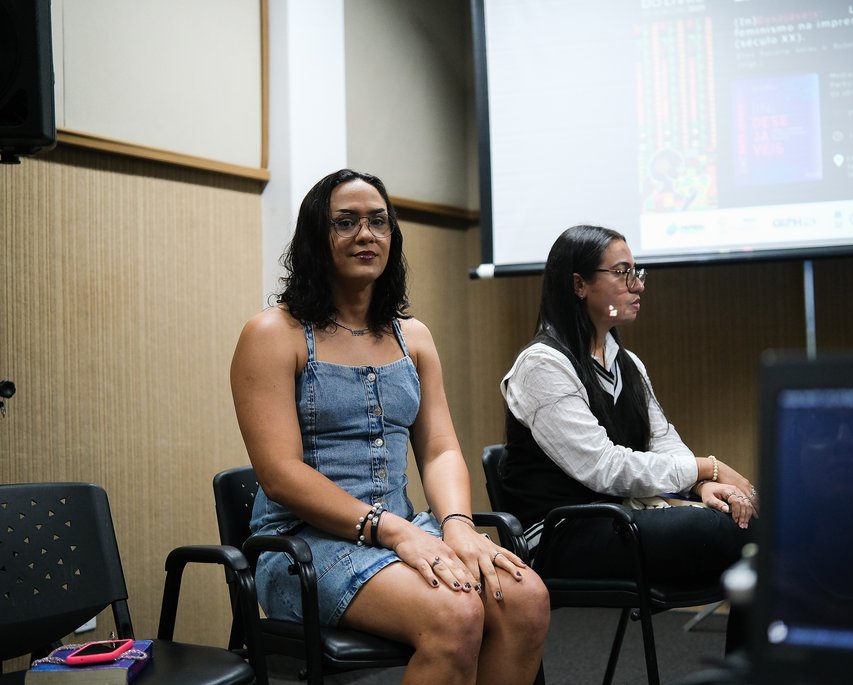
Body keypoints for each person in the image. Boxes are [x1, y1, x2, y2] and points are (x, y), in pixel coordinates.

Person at [230, 169, 549, 684]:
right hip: (300, 549)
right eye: (346, 222)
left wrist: (457, 526)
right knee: (456, 611)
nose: (366, 234)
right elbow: (280, 474)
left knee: (526, 599)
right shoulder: (272, 334)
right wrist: (394, 531)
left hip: (403, 530)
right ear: (315, 238)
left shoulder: (413, 336)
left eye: (378, 222)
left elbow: (441, 449)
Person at [499, 224, 757, 650]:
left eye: (638, 272)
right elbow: (604, 468)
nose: (638, 286)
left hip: (620, 520)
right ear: (579, 285)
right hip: (564, 535)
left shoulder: (628, 363)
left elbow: (664, 440)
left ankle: (746, 673)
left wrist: (702, 485)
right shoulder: (541, 365)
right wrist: (706, 467)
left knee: (751, 527)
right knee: (740, 532)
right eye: (622, 273)